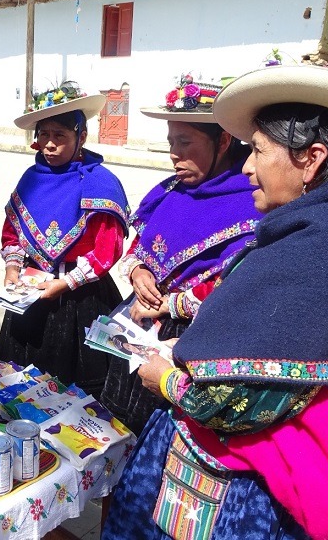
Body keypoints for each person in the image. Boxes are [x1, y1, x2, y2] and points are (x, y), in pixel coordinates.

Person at [101, 60, 328, 539]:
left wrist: (166, 379)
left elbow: (243, 403)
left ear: (311, 159)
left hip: (249, 492)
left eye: (257, 150)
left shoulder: (319, 252)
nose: (248, 166)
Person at [100, 74, 261, 436]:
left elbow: (235, 290)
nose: (174, 153)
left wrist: (169, 305)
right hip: (141, 321)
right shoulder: (172, 191)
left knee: (157, 435)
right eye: (171, 141)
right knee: (117, 426)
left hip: (188, 339)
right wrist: (139, 270)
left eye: (185, 142)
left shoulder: (251, 201)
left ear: (223, 140)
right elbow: (140, 246)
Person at [0, 82, 131, 397]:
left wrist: (66, 283)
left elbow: (107, 248)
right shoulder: (31, 178)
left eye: (60, 136)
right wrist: (13, 267)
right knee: (23, 383)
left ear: (81, 137)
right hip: (32, 292)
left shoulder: (100, 183)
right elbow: (12, 231)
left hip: (81, 297)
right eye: (43, 134)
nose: (49, 144)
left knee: (77, 388)